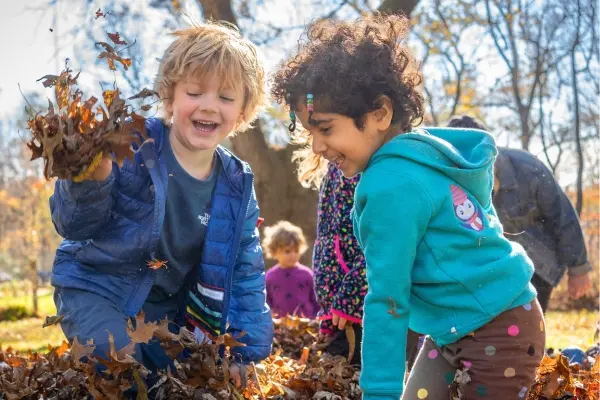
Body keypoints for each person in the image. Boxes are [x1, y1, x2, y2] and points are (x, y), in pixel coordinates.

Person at [271, 14, 545, 399]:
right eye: (310, 132)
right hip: (458, 326)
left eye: (327, 128)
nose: (316, 146)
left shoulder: (390, 183)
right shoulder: (426, 154)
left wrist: (378, 391)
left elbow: (387, 300)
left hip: (496, 329)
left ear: (380, 113)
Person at [49, 21, 273, 376]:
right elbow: (73, 226)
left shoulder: (236, 182)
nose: (210, 106)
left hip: (165, 311)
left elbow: (245, 271)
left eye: (226, 97)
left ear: (243, 112)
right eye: (195, 92)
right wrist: (91, 179)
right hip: (95, 286)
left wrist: (246, 351)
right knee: (119, 368)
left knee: (174, 382)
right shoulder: (130, 143)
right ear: (169, 97)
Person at [447, 115, 592, 313]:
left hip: (537, 262)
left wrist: (578, 269)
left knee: (527, 328)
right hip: (488, 267)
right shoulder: (446, 177)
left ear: (488, 147)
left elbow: (563, 216)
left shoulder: (528, 169)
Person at [263, 220, 320, 318]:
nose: (293, 255)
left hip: (305, 325)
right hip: (279, 326)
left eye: (296, 250)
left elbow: (316, 301)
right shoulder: (269, 276)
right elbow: (266, 302)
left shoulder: (307, 274)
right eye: (287, 251)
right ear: (275, 251)